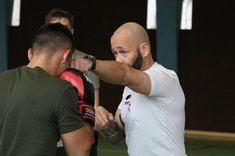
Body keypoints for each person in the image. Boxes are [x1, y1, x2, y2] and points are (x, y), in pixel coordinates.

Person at [71, 22, 187, 156]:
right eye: (115, 53)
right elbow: (117, 136)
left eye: (123, 52)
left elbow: (125, 74)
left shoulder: (165, 78)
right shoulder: (129, 89)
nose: (118, 59)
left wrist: (91, 63)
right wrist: (104, 123)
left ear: (144, 49)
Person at [0, 23, 94, 156]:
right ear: (65, 56)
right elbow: (80, 151)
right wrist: (87, 107)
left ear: (30, 53)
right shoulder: (62, 90)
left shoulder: (2, 79)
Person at [44, 8, 100, 156]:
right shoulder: (38, 63)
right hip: (47, 142)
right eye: (55, 27)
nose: (60, 32)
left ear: (72, 31)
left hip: (78, 140)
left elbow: (94, 107)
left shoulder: (86, 62)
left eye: (65, 28)